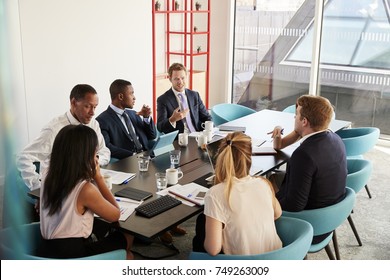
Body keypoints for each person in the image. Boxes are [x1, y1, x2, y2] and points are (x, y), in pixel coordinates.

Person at [39, 124, 133, 259]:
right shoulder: (85, 189)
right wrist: (98, 177)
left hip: (47, 249)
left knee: (101, 229)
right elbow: (115, 215)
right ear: (84, 156)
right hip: (72, 255)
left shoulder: (48, 174)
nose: (97, 159)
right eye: (95, 154)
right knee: (128, 241)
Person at [269, 95, 347, 243]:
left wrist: (267, 201)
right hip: (329, 219)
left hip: (308, 225)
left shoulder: (304, 155)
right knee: (272, 180)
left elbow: (294, 205)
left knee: (252, 199)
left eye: (296, 115)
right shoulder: (335, 138)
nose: (294, 117)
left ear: (304, 121)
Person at [193, 132, 282, 255]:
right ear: (249, 157)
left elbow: (213, 249)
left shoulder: (215, 194)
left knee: (201, 227)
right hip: (278, 257)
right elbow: (277, 214)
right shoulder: (264, 183)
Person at [16, 84, 110, 191]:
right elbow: (24, 157)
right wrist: (39, 189)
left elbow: (104, 152)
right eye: (87, 106)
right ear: (73, 103)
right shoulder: (54, 129)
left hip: (87, 183)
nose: (93, 113)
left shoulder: (93, 124)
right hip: (62, 187)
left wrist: (94, 161)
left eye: (95, 107)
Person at [96, 79, 157, 160]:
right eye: (131, 93)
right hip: (127, 162)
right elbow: (107, 147)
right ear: (121, 96)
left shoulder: (134, 114)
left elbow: (152, 136)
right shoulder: (102, 120)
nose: (134, 97)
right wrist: (134, 155)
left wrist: (146, 118)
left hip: (148, 158)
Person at [157, 62, 211, 134]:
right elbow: (160, 127)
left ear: (186, 76)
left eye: (182, 78)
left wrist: (209, 130)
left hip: (198, 135)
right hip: (180, 139)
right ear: (170, 79)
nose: (180, 82)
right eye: (176, 79)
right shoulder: (163, 100)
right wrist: (172, 119)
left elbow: (207, 117)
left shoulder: (194, 95)